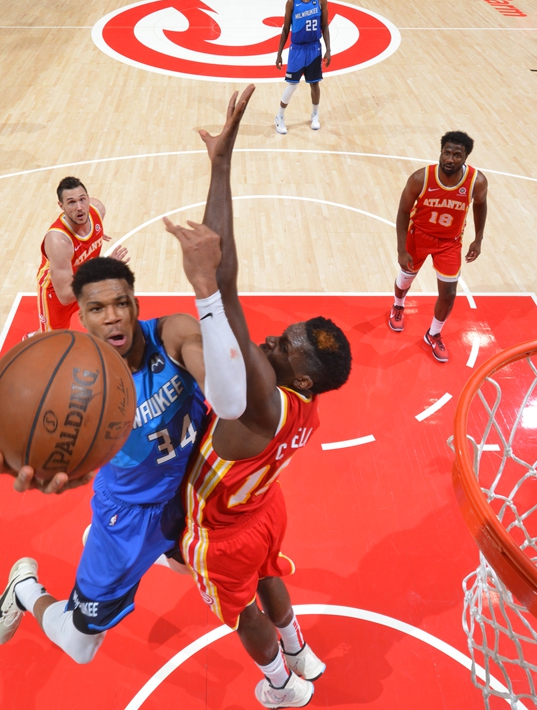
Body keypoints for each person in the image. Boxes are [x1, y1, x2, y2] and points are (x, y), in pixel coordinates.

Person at [166, 86, 353, 709]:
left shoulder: (262, 397)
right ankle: (300, 649)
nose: (273, 340)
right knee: (270, 571)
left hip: (222, 530)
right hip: (264, 509)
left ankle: (281, 685)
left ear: (299, 377)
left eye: (285, 348)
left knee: (241, 605)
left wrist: (221, 164)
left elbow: (223, 277)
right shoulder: (306, 404)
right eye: (286, 333)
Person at [0, 254, 250, 667]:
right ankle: (24, 589)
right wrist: (50, 466)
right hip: (126, 516)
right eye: (96, 308)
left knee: (189, 564)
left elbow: (223, 388)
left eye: (121, 303)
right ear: (82, 318)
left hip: (186, 492)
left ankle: (154, 549)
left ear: (136, 306)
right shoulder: (74, 384)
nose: (112, 317)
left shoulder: (173, 335)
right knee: (81, 647)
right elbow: (63, 452)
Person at [388, 131, 489, 363]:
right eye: (446, 153)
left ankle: (433, 334)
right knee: (406, 278)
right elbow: (403, 212)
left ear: (465, 158)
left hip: (450, 244)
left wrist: (479, 238)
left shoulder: (477, 181)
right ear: (440, 152)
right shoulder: (420, 178)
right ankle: (398, 305)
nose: (450, 159)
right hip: (419, 236)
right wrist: (401, 250)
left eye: (457, 155)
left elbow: (481, 206)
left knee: (449, 294)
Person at [35, 176, 129, 331]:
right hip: (57, 290)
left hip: (85, 280)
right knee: (52, 340)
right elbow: (65, 296)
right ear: (61, 206)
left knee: (109, 320)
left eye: (82, 199)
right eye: (71, 202)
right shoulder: (59, 241)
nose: (79, 207)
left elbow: (87, 235)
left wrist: (95, 236)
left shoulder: (98, 210)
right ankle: (33, 338)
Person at [272, 0, 330, 135]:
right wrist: (279, 54)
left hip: (314, 48)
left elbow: (325, 26)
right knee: (292, 85)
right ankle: (279, 116)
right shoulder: (292, 2)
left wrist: (328, 49)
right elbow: (285, 29)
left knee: (314, 84)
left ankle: (315, 115)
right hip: (297, 49)